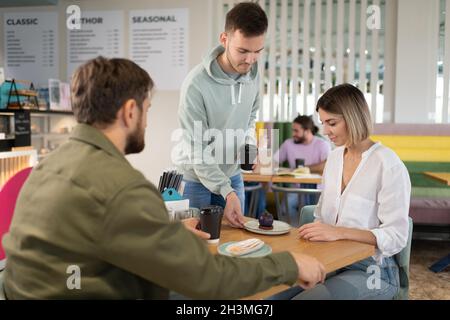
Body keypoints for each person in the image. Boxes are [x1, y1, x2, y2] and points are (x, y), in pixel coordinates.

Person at [2, 57, 326, 299]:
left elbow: (99, 229)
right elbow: (207, 278)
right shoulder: (122, 187)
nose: (146, 119)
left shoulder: (46, 166)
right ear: (131, 111)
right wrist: (290, 265)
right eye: (147, 108)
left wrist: (163, 227)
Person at [273, 84, 411, 300]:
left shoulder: (388, 165)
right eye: (323, 123)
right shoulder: (335, 159)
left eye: (332, 123)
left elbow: (396, 236)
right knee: (268, 293)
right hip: (331, 260)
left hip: (374, 271)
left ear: (354, 118)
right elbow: (321, 217)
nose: (326, 131)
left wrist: (339, 232)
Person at [175, 2, 267, 227]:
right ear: (224, 39)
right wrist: (227, 191)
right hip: (196, 179)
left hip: (233, 176)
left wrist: (248, 146)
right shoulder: (196, 85)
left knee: (236, 246)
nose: (250, 60)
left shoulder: (253, 76)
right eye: (243, 51)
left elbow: (249, 119)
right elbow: (197, 150)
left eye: (257, 52)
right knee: (198, 248)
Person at [273, 115, 331, 225]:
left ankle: (307, 230)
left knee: (316, 211)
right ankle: (296, 231)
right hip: (296, 190)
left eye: (296, 131)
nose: (293, 134)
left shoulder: (322, 144)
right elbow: (274, 161)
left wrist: (303, 169)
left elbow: (327, 166)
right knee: (286, 207)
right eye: (292, 130)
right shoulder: (288, 144)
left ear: (307, 131)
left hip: (318, 191)